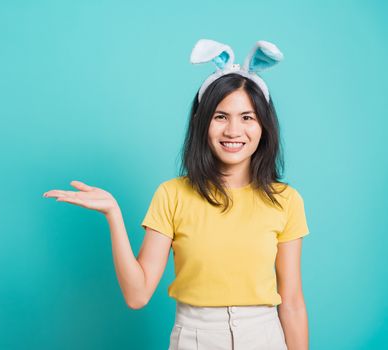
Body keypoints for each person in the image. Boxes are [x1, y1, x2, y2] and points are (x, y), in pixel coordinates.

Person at [44, 39, 308, 349]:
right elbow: (137, 295)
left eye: (247, 117)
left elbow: (291, 303)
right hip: (195, 337)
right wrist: (113, 215)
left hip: (264, 337)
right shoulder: (173, 195)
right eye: (220, 116)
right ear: (201, 122)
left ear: (264, 126)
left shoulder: (286, 200)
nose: (234, 131)